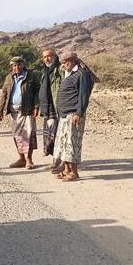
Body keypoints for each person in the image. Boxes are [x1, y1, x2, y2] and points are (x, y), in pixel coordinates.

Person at [53, 52, 95, 182]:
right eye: (62, 63)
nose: (63, 65)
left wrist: (78, 113)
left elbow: (83, 95)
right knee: (63, 143)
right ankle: (66, 170)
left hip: (74, 114)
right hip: (64, 115)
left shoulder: (82, 74)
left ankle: (74, 172)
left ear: (72, 61)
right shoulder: (69, 74)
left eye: (65, 62)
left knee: (72, 144)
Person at [0, 57, 40, 169]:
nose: (16, 67)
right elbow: (3, 94)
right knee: (17, 136)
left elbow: (37, 92)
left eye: (19, 65)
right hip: (14, 112)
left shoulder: (31, 75)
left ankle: (29, 159)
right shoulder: (9, 77)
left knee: (29, 134)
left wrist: (36, 106)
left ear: (23, 65)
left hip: (27, 110)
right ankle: (21, 159)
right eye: (14, 65)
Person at [38, 49, 65, 173]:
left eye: (49, 56)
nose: (47, 59)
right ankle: (55, 161)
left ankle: (63, 163)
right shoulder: (45, 72)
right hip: (48, 109)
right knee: (50, 136)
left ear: (55, 56)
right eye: (44, 57)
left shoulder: (60, 69)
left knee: (58, 136)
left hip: (58, 108)